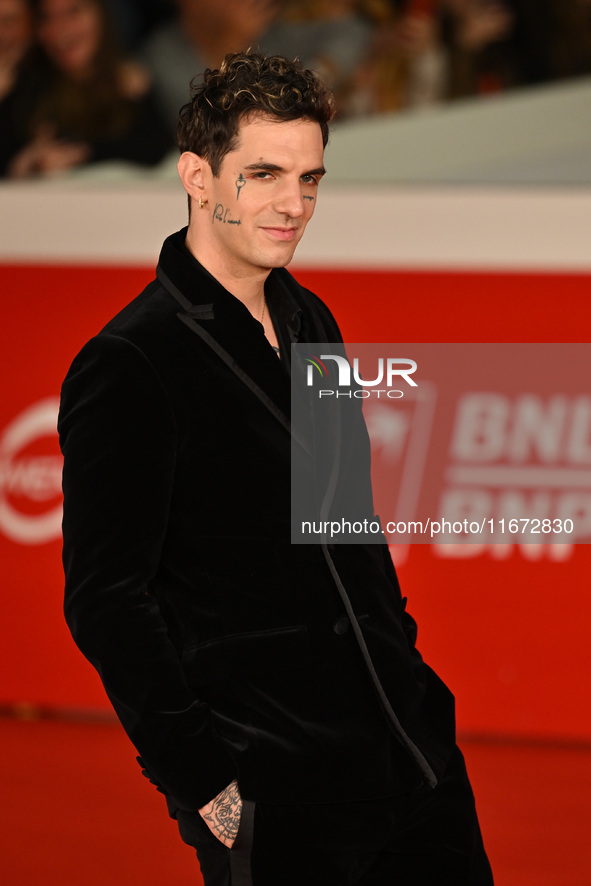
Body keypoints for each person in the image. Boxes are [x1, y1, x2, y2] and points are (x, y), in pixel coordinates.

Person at [58, 50, 494, 885]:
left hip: (410, 757)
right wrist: (202, 781)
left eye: (310, 178)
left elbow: (345, 522)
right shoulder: (130, 360)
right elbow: (107, 599)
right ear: (196, 174)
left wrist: (409, 689)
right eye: (262, 175)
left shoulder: (310, 321)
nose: (293, 205)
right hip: (270, 787)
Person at [7, 0, 171, 178]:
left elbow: (163, 158)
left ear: (101, 16)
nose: (60, 29)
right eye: (46, 17)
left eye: (74, 11)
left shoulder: (136, 84)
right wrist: (26, 166)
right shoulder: (28, 92)